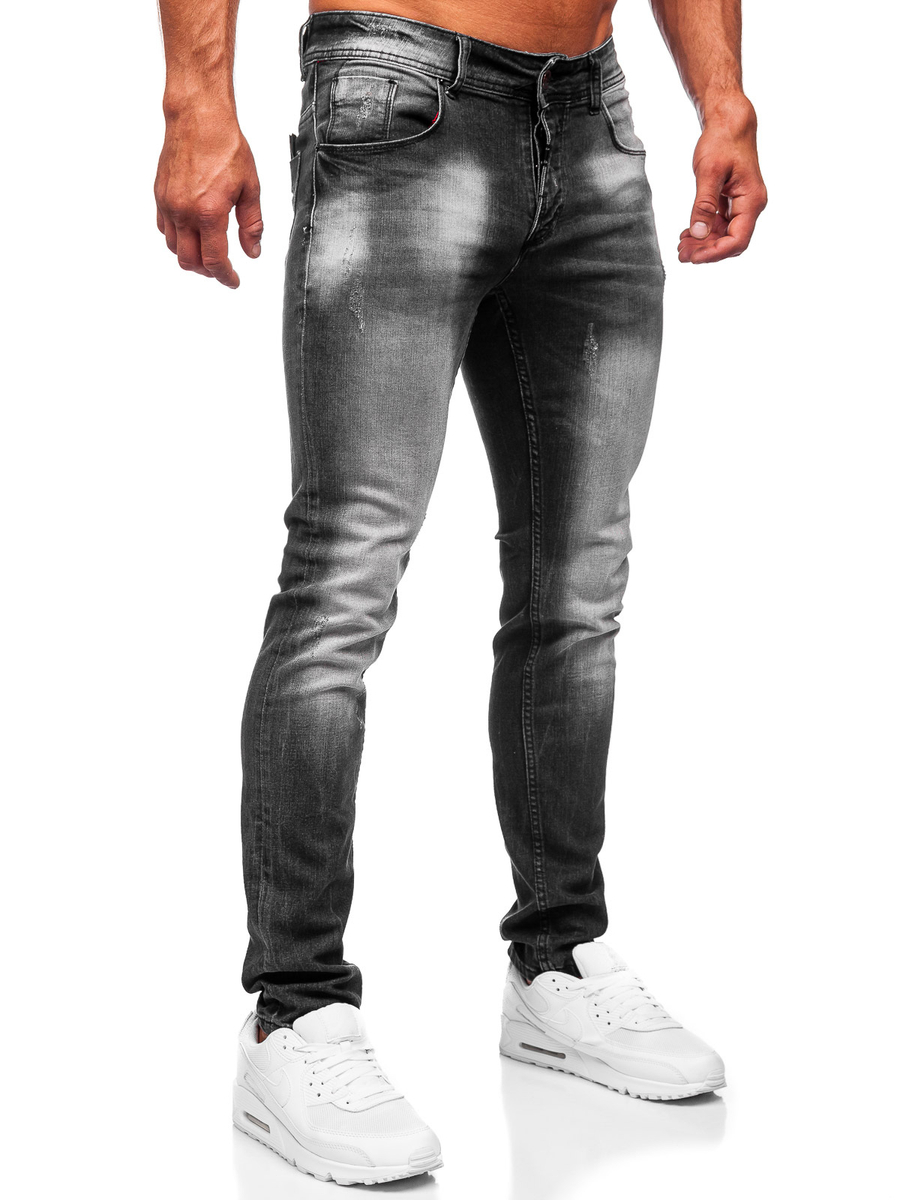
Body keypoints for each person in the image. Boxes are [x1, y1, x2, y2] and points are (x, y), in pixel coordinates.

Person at [155, 0, 766, 1186]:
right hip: (401, 101)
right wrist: (195, 97)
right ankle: (295, 1013)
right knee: (344, 580)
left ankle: (559, 961)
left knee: (579, 583)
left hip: (592, 118)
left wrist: (724, 94)